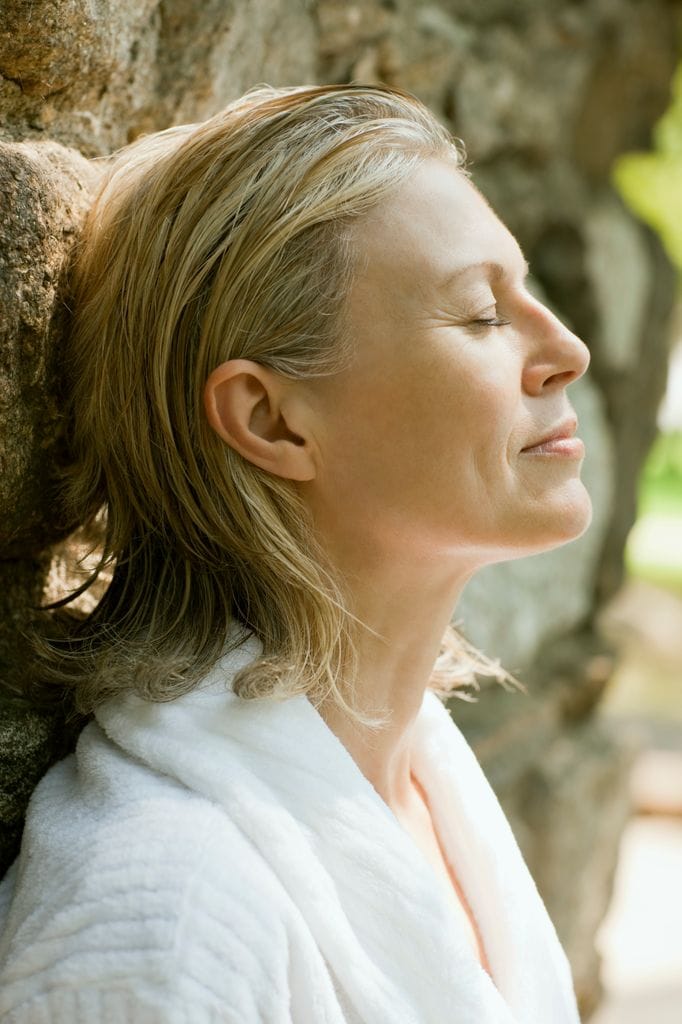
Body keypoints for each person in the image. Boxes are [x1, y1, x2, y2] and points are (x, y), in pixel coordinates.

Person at [0, 84, 590, 1022]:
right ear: (271, 420)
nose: (568, 350)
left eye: (530, 294)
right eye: (483, 314)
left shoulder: (422, 776)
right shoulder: (169, 916)